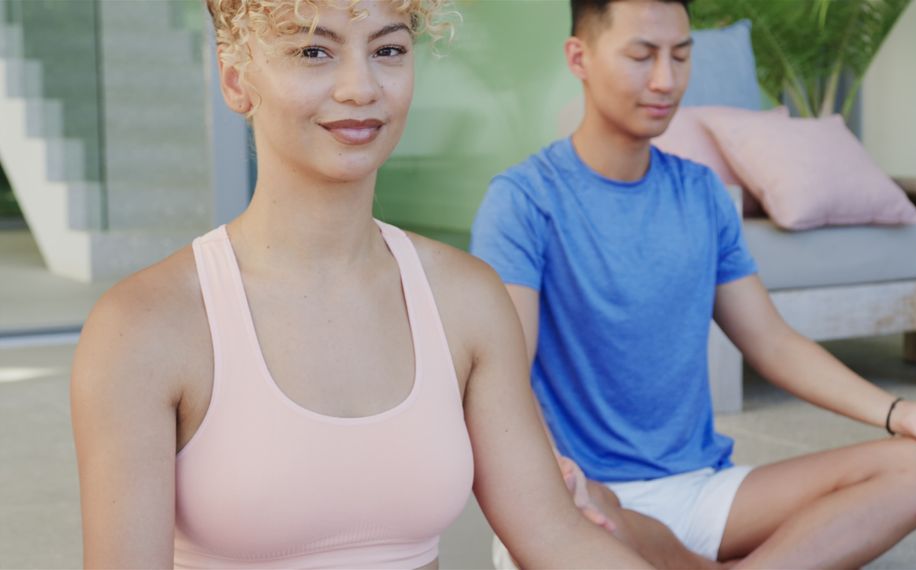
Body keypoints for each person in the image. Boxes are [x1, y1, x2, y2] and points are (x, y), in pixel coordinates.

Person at [70, 1, 652, 568]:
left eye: (389, 49)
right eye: (314, 51)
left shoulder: (465, 299)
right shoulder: (145, 327)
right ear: (236, 80)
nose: (361, 87)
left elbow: (555, 537)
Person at [470, 0, 916, 568]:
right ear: (579, 57)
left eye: (681, 56)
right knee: (576, 531)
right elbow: (506, 373)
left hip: (706, 491)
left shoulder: (700, 192)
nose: (666, 80)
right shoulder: (523, 200)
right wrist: (553, 479)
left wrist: (900, 413)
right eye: (642, 56)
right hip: (587, 494)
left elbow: (773, 342)